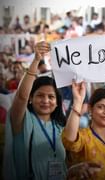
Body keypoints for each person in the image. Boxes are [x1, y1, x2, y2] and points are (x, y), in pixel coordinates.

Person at [3, 41, 67, 180]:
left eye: (51, 97)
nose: (45, 100)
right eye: (40, 95)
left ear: (57, 102)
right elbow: (21, 96)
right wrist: (36, 60)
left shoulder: (60, 126)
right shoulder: (22, 120)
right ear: (30, 98)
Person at [62, 85, 105, 179]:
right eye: (101, 107)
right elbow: (69, 140)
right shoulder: (84, 136)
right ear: (90, 109)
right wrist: (78, 102)